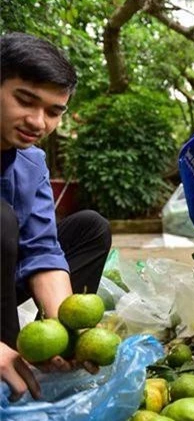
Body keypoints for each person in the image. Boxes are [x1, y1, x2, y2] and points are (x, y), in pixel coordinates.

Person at [0, 33, 112, 401]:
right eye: (25, 101)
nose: (38, 121)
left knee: (90, 228)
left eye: (53, 111)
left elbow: (42, 250)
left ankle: (37, 352)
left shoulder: (31, 163)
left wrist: (64, 330)